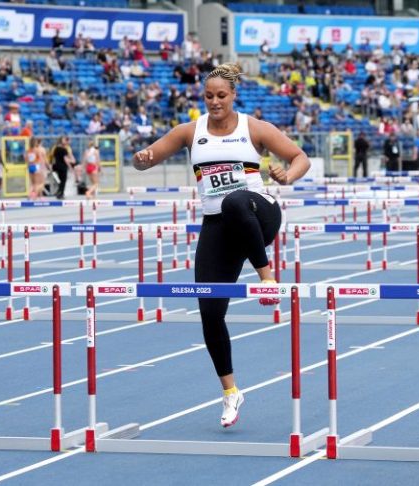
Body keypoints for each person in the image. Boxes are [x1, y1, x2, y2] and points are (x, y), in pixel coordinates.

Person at [132, 63, 311, 428]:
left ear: (233, 96)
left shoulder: (254, 128)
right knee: (210, 312)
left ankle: (267, 278)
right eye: (209, 96)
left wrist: (287, 176)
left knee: (235, 200)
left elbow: (300, 158)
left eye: (221, 96)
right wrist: (142, 160)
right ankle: (231, 392)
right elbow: (147, 160)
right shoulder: (190, 131)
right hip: (218, 226)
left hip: (259, 214)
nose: (214, 102)